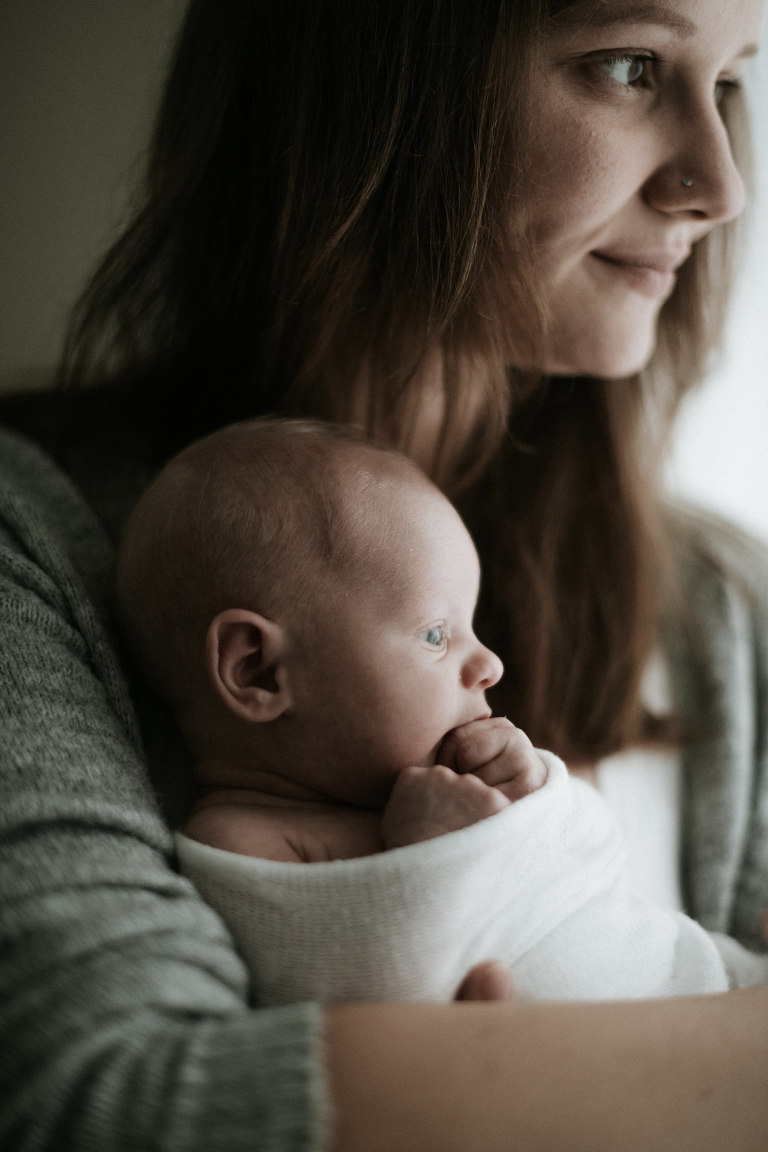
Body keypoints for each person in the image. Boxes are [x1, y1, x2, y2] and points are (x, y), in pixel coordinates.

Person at [2, 0, 768, 1149]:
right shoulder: (36, 546)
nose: (722, 185)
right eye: (628, 64)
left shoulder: (726, 608)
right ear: (382, 82)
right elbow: (109, 1102)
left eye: (732, 81)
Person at [117, 416, 768, 1006]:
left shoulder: (414, 783)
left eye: (471, 627)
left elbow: (588, 865)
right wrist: (433, 852)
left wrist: (533, 793)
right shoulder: (243, 840)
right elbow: (360, 1005)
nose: (490, 664)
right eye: (435, 634)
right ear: (258, 670)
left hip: (694, 975)